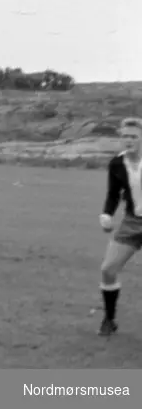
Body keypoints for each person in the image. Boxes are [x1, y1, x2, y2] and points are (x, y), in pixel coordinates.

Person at [98, 117, 142, 336]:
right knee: (108, 270)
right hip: (133, 222)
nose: (129, 140)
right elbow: (113, 194)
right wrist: (106, 214)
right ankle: (109, 319)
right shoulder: (117, 163)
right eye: (125, 136)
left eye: (133, 136)